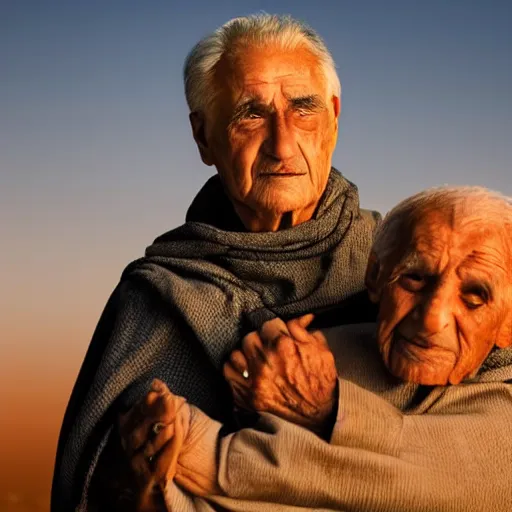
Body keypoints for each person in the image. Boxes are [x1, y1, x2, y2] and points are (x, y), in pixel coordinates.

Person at [51, 14, 381, 512]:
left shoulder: (408, 267)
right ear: (203, 137)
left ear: (334, 118)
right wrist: (136, 480)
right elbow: (90, 487)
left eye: (303, 109)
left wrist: (335, 410)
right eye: (250, 114)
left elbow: (479, 439)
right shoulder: (157, 295)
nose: (282, 143)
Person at [120, 186, 512, 511]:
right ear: (375, 278)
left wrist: (325, 410)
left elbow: (454, 481)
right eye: (413, 279)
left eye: (474, 296)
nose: (432, 318)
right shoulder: (323, 349)